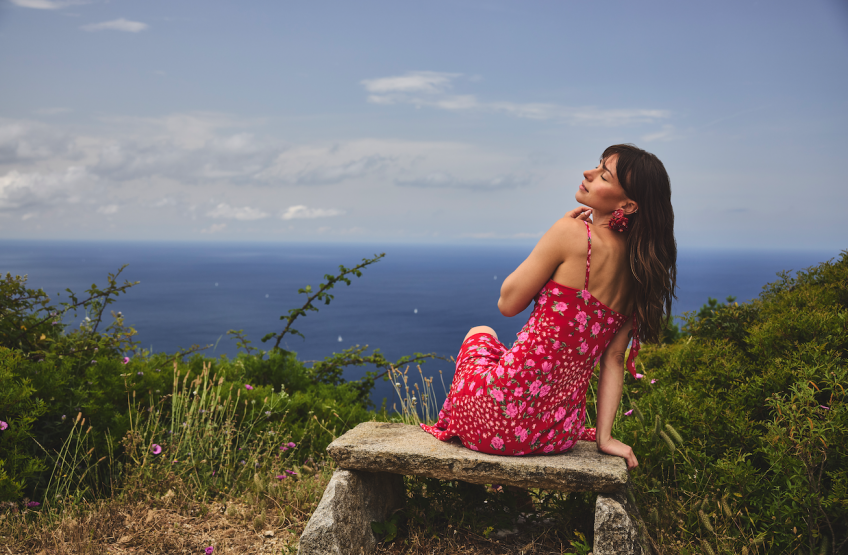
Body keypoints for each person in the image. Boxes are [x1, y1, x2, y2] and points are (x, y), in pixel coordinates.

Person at [421, 144, 677, 471]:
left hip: (495, 421)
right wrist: (605, 438)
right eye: (597, 166)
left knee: (481, 333)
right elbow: (613, 359)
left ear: (627, 205)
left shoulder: (571, 233)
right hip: (553, 433)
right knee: (501, 352)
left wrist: (555, 235)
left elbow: (507, 302)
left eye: (603, 175)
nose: (588, 174)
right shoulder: (640, 275)